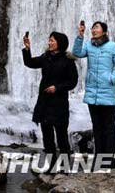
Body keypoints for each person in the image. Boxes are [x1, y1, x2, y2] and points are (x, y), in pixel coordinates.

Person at [22, 31, 78, 171]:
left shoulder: (68, 60)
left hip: (59, 103)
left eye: (52, 40)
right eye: (49, 40)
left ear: (60, 43)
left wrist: (57, 88)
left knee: (61, 136)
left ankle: (65, 168)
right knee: (47, 137)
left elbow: (73, 82)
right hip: (45, 102)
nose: (49, 42)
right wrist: (27, 49)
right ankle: (51, 166)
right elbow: (29, 63)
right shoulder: (46, 57)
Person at [72, 21, 115, 163]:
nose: (93, 30)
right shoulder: (89, 45)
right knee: (97, 127)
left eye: (96, 27)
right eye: (93, 28)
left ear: (104, 31)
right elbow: (77, 53)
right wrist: (80, 35)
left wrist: (111, 78)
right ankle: (99, 158)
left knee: (108, 127)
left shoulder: (113, 47)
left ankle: (111, 160)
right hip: (92, 94)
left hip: (107, 93)